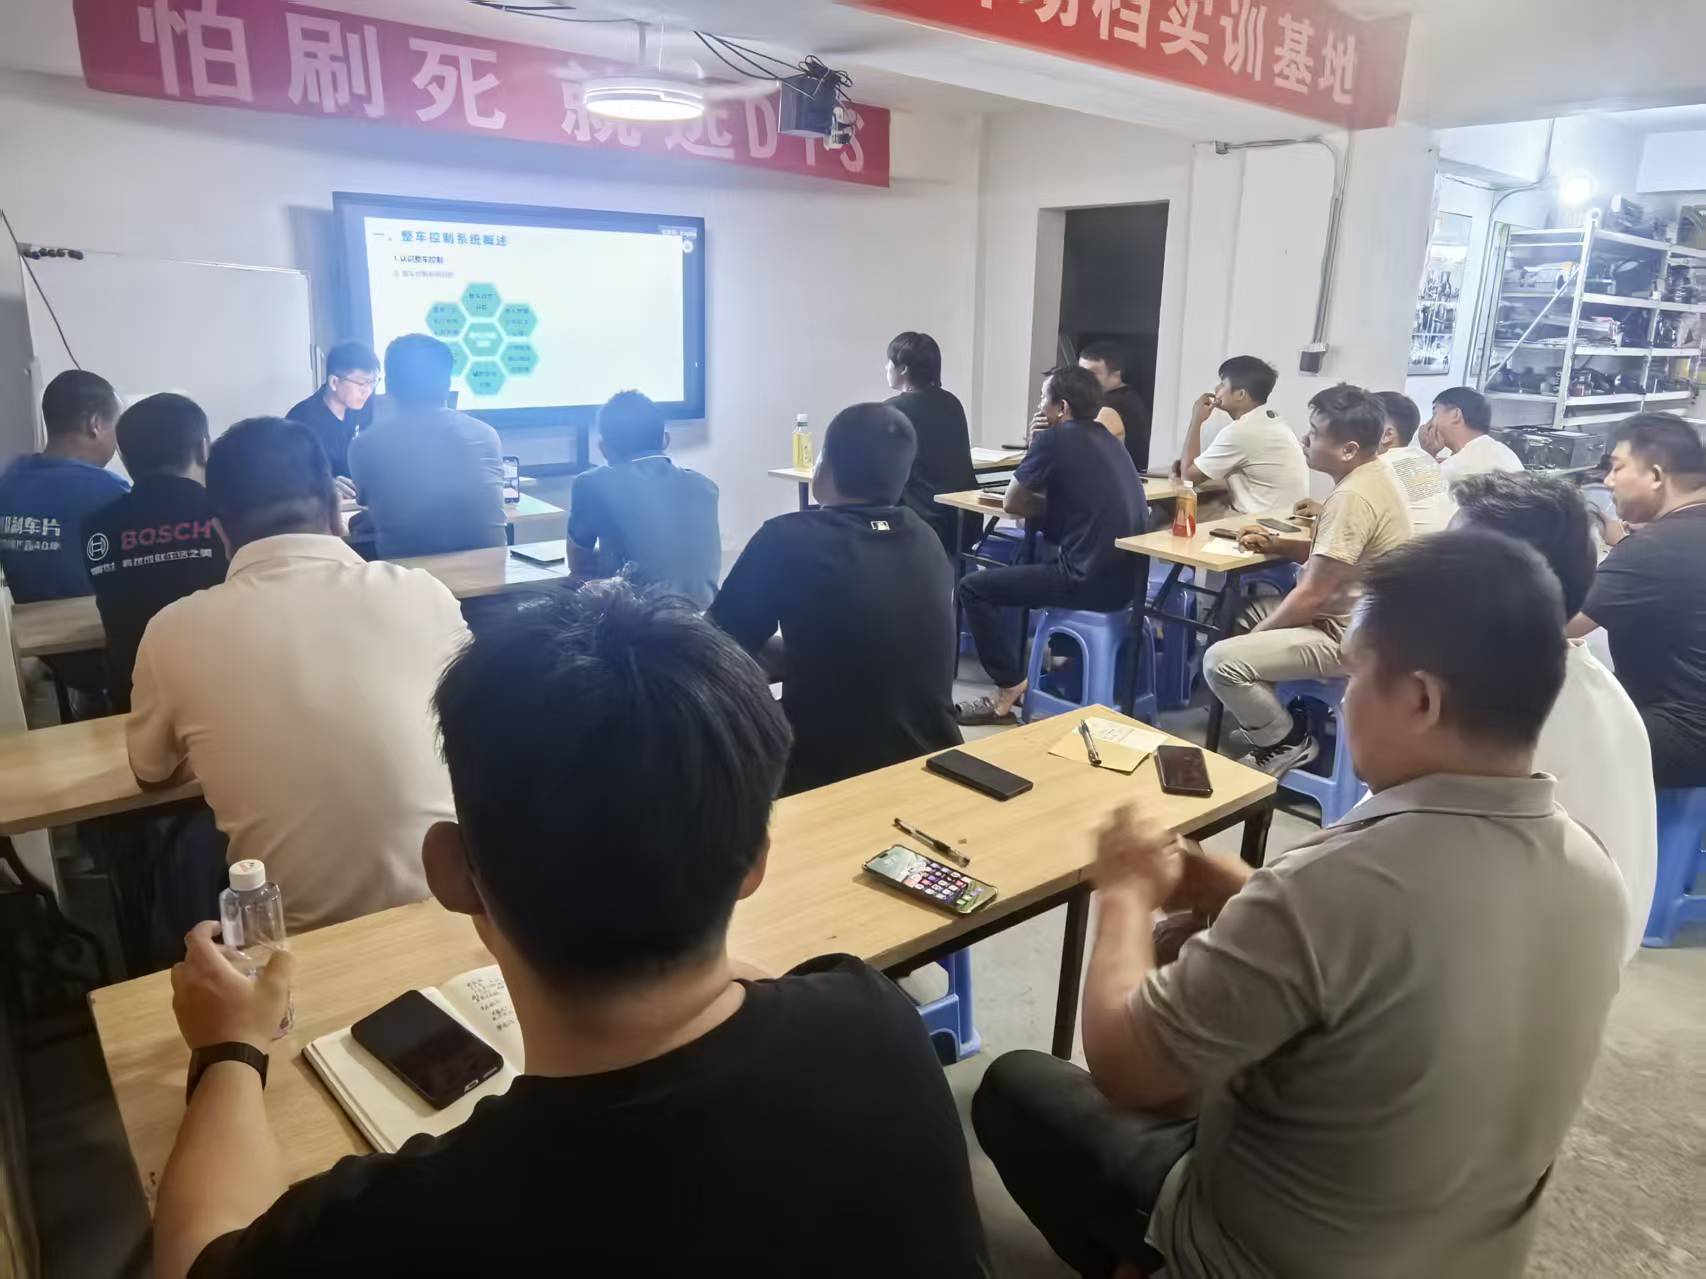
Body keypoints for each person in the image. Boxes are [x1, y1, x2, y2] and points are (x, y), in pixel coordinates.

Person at [150, 583, 991, 1279]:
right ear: (756, 862)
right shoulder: (878, 1017)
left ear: (450, 872)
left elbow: (193, 1256)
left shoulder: (408, 1224)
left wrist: (230, 1047)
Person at [973, 531, 1626, 1279]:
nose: (1345, 697)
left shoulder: (1339, 880)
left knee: (1017, 1088)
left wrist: (1123, 891)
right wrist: (1245, 891)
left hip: (1266, 1254)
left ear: (1420, 699)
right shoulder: (1593, 872)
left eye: (1356, 672)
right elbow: (1410, 958)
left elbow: (1126, 1064)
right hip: (1466, 1252)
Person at [127, 418, 470, 933]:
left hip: (294, 943)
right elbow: (477, 728)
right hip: (459, 911)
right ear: (335, 510)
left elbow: (150, 773)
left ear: (220, 534)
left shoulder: (171, 631)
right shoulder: (424, 593)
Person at [1453, 471, 1655, 961]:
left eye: (1442, 564)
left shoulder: (1501, 706)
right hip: (1578, 966)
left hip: (1518, 975)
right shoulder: (1581, 676)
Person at [710, 403, 961, 793]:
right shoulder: (926, 538)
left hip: (827, 772)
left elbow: (715, 645)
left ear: (824, 468)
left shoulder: (786, 538)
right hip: (933, 759)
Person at [1203, 384, 1412, 775]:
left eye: (1315, 433)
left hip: (1348, 639)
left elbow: (1314, 594)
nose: (1305, 439)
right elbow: (1338, 559)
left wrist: (1257, 638)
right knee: (1245, 615)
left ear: (1348, 449)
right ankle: (1273, 720)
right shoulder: (1374, 476)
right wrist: (1279, 545)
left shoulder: (1352, 498)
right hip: (1366, 624)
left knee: (1221, 661)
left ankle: (1286, 740)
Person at [956, 366, 1146, 726]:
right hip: (1127, 584)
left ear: (1061, 407)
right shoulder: (1108, 439)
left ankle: (1009, 685)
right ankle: (1054, 667)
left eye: (1043, 399)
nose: (1039, 406)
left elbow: (1013, 502)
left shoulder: (1055, 440)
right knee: (1027, 562)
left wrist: (1037, 445)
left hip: (1085, 581)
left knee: (973, 588)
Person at [1570, 413, 1706, 788]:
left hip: (1683, 733)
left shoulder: (1654, 548)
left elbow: (1560, 623)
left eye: (1617, 468)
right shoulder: (1676, 537)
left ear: (1656, 476)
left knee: (1541, 733)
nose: (1608, 481)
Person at [83, 393, 227, 712]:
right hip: (223, 696)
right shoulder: (229, 516)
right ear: (204, 448)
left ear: (124, 457)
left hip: (134, 699)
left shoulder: (96, 528)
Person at [348, 335, 506, 559]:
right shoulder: (486, 435)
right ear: (447, 384)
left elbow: (371, 504)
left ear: (389, 385)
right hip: (492, 574)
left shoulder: (365, 445)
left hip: (410, 578)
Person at [567, 390, 720, 610]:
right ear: (665, 439)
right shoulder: (705, 486)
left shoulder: (590, 483)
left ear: (603, 448)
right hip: (704, 621)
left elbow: (580, 568)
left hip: (639, 622)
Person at [0, 369, 128, 603]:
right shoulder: (112, 492)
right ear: (95, 424)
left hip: (21, 621)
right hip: (89, 623)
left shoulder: (10, 477)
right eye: (116, 426)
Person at [1176, 355, 1308, 517]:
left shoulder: (1241, 431)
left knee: (1172, 515)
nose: (1216, 388)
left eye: (1223, 384)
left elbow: (1188, 478)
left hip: (1260, 523)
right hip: (1286, 517)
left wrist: (1196, 419)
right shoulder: (1273, 421)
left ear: (1240, 394)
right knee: (1209, 502)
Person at [885, 331, 977, 560]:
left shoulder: (892, 410)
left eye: (889, 362)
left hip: (920, 523)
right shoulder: (952, 402)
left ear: (903, 369)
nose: (886, 367)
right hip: (962, 522)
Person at [286, 340, 378, 483]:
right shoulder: (301, 420)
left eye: (373, 383)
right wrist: (327, 484)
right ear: (334, 382)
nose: (368, 391)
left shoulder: (364, 407)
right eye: (362, 383)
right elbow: (290, 475)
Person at [1375, 389, 1454, 534]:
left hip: (1414, 547)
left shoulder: (1378, 467)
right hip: (1446, 543)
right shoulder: (1423, 457)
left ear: (1387, 434)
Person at [1079, 339, 1153, 473]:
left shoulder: (1112, 406)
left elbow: (1086, 453)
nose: (1082, 379)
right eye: (1080, 372)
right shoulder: (1130, 398)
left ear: (1115, 375)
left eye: (1091, 374)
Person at [1423, 385, 1523, 481]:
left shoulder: (1458, 466)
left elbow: (1419, 487)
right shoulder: (1503, 451)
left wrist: (1427, 453)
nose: (1430, 423)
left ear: (1456, 415)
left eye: (1434, 414)